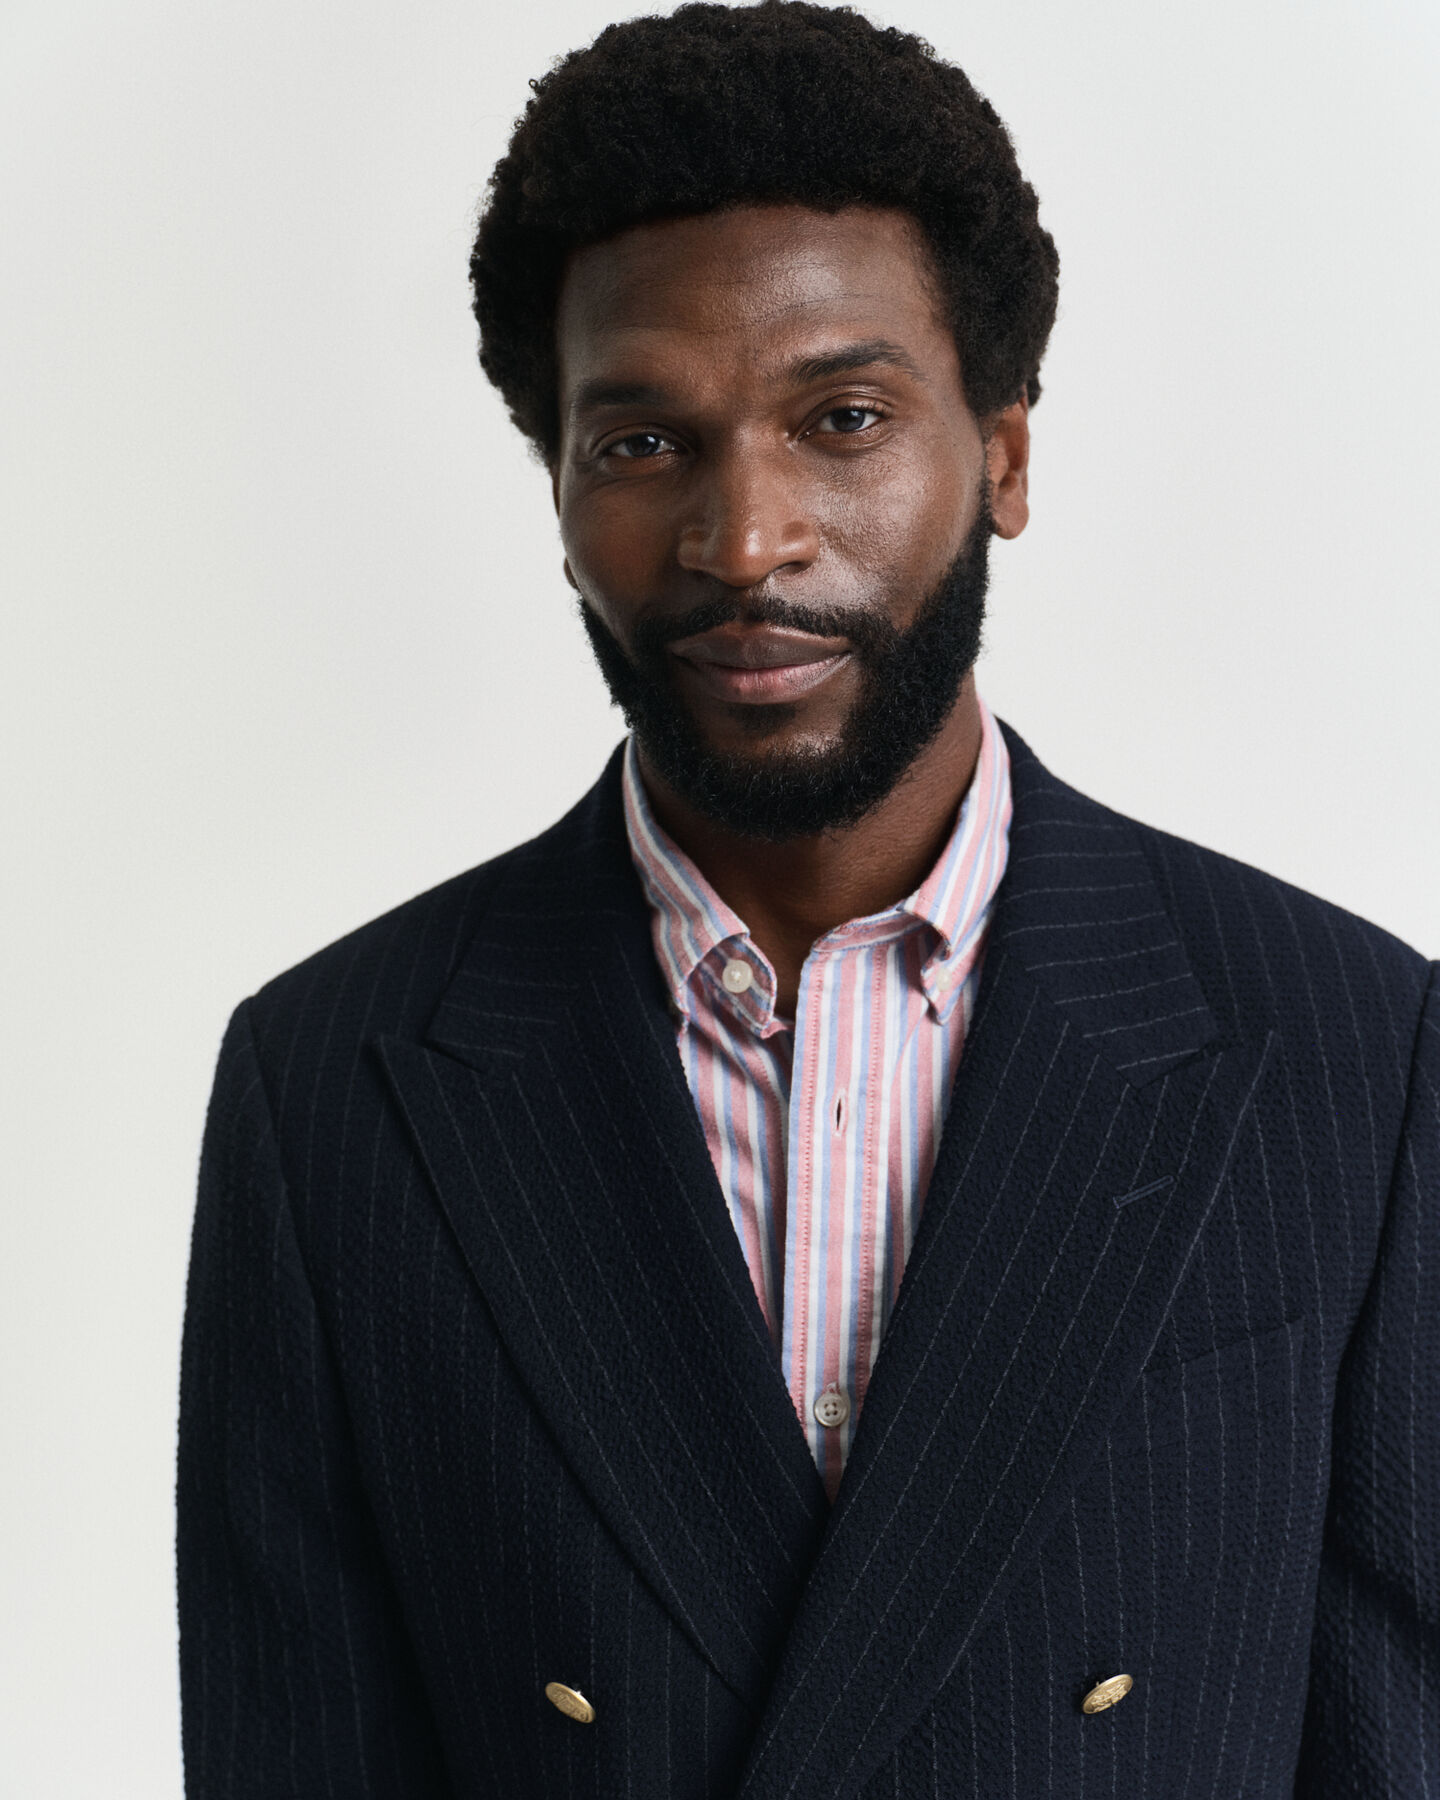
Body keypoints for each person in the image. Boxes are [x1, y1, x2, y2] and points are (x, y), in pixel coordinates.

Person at [176, 4, 1438, 1794]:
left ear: (1004, 455)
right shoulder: (332, 1084)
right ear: (556, 488)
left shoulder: (1350, 1050)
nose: (745, 538)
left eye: (843, 418)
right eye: (641, 443)